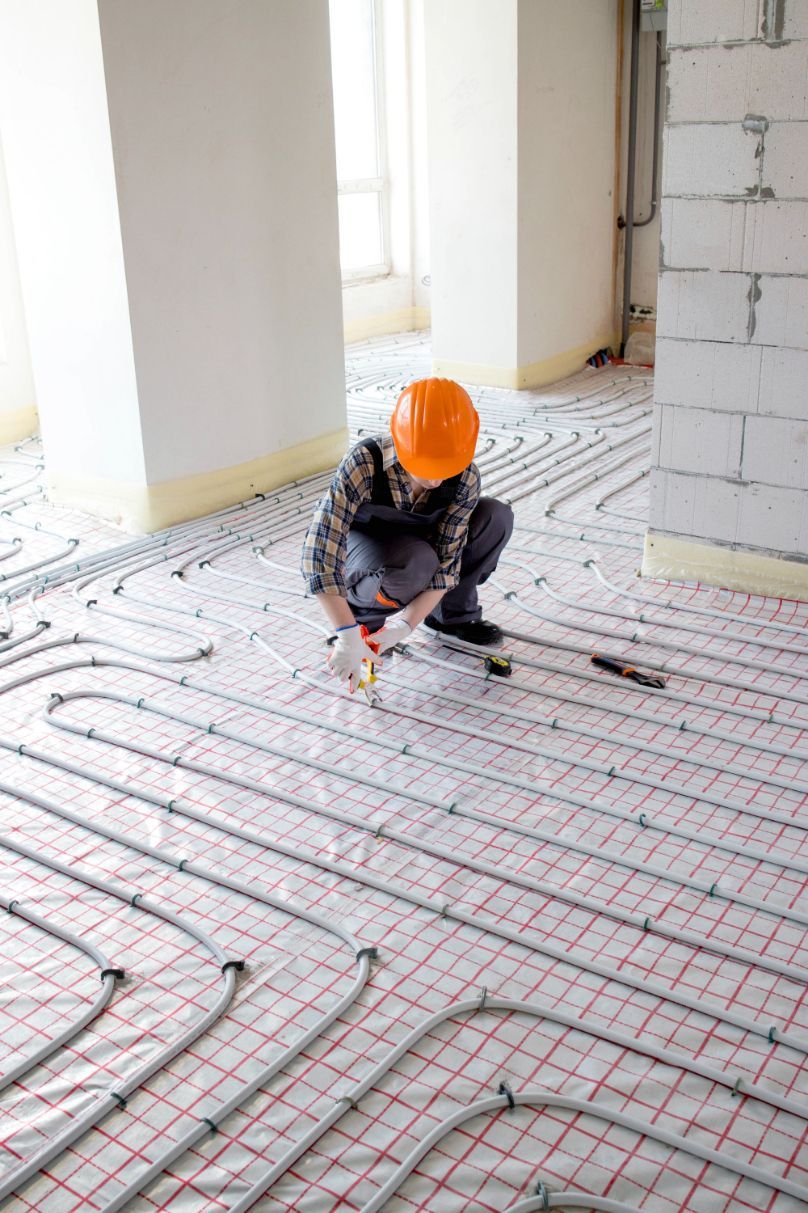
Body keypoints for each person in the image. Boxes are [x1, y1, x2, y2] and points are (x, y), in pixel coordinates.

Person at [301, 377, 514, 695]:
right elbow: (321, 550)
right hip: (366, 550)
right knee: (415, 560)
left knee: (494, 517)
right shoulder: (365, 463)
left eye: (446, 466)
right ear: (401, 443)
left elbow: (446, 565)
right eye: (426, 465)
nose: (435, 478)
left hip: (418, 546)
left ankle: (449, 615)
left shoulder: (465, 475)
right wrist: (346, 631)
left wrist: (404, 626)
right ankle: (365, 621)